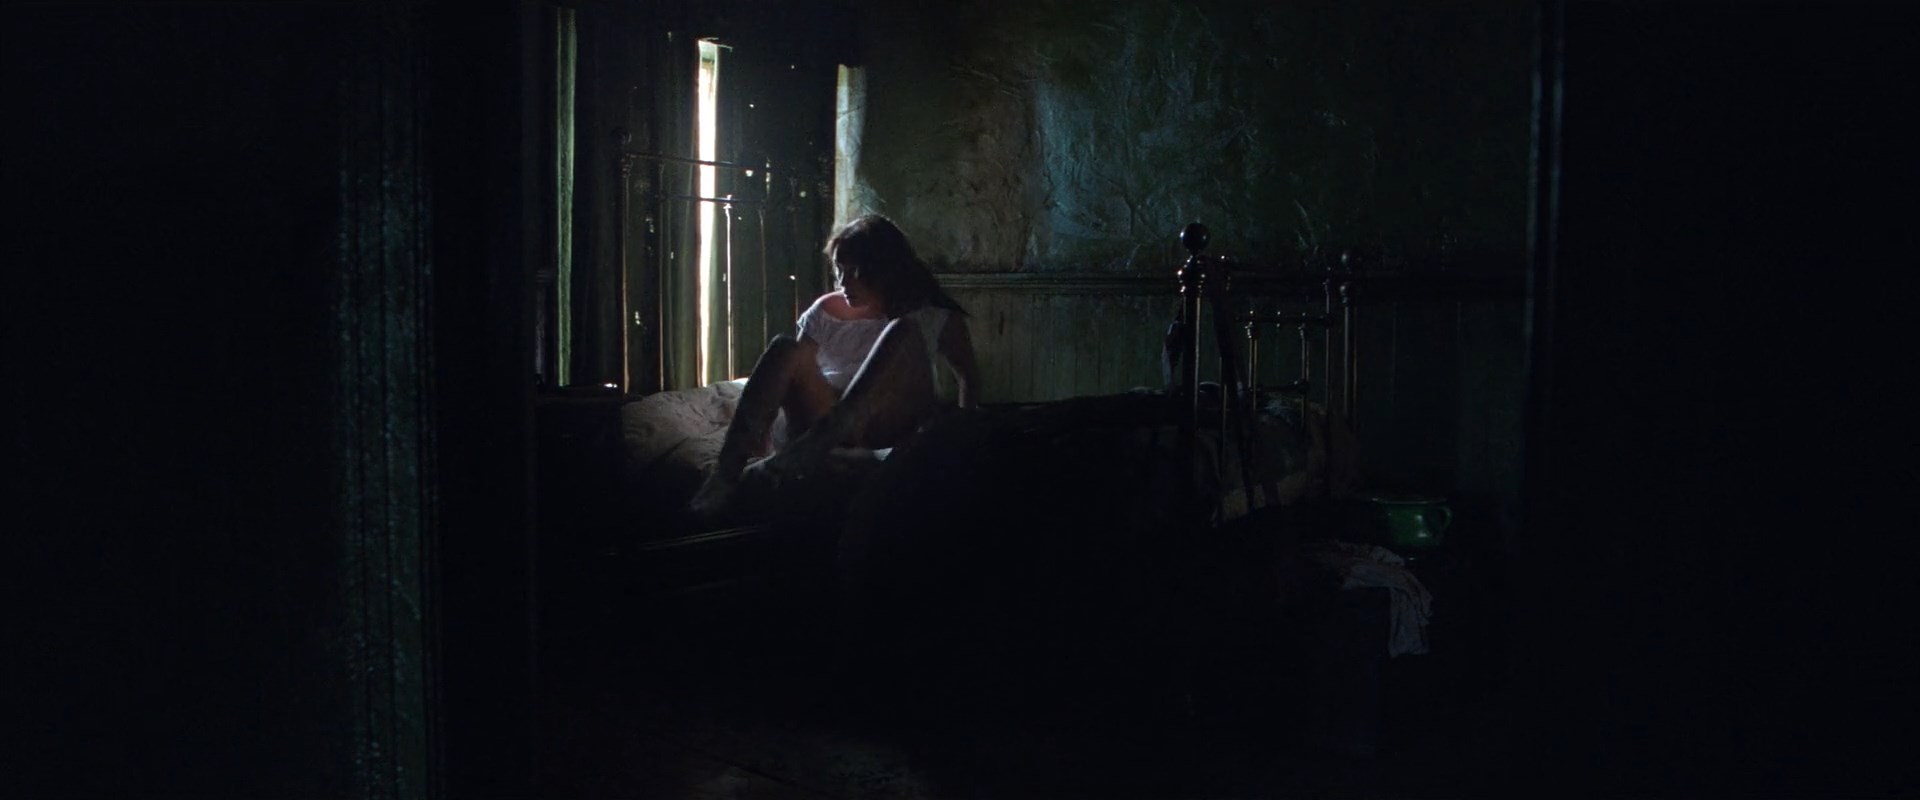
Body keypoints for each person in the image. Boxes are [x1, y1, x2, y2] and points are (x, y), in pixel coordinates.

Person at [687, 214, 980, 525]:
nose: (843, 282)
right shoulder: (826, 310)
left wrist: (960, 440)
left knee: (904, 331)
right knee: (785, 347)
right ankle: (725, 474)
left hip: (890, 422)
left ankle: (827, 439)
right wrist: (763, 432)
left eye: (854, 272)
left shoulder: (931, 316)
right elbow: (793, 379)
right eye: (839, 269)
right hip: (822, 422)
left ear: (884, 270)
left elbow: (968, 379)